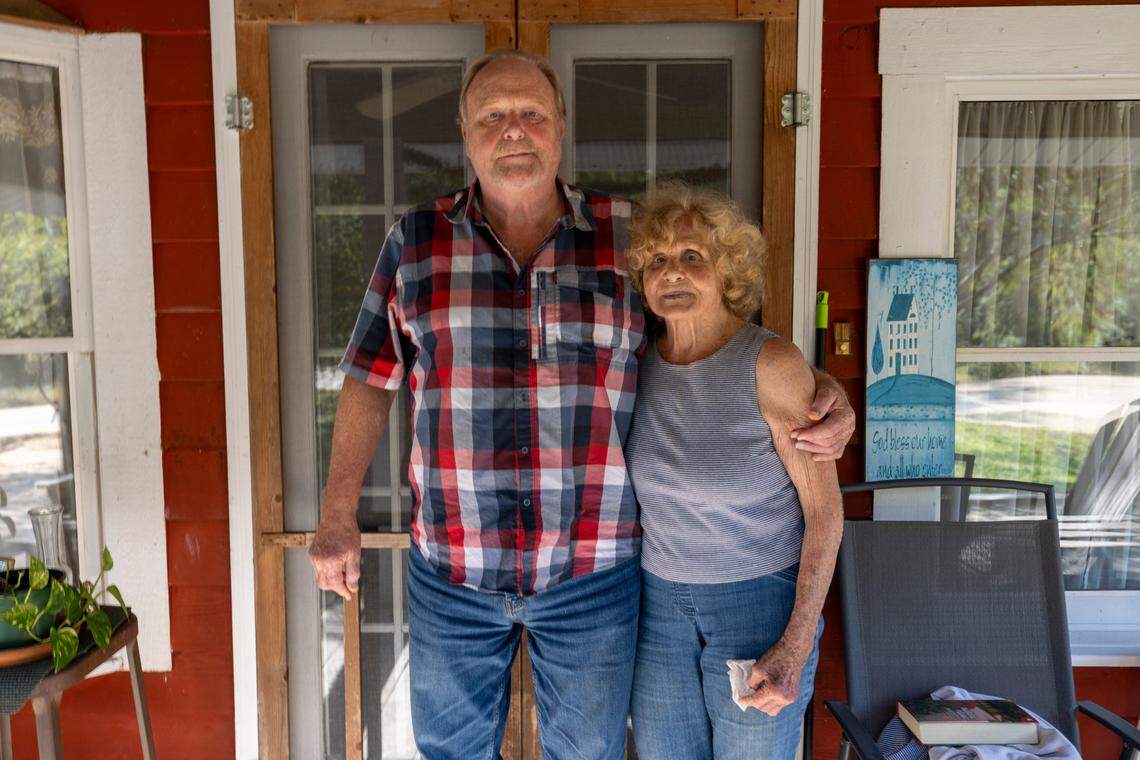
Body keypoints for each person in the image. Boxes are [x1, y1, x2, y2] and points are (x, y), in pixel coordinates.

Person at [307, 48, 854, 760]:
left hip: (592, 570)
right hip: (454, 564)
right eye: (492, 116)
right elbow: (369, 377)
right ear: (465, 134)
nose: (514, 129)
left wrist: (819, 389)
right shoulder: (414, 243)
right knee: (449, 751)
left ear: (560, 127)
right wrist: (336, 514)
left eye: (531, 113)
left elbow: (712, 339)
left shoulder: (627, 239)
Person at [624, 182, 844, 760]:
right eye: (657, 260)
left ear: (728, 272)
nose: (672, 272)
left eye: (692, 256)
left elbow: (826, 515)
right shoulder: (635, 365)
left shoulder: (771, 364)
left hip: (759, 607)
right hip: (659, 613)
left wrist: (796, 643)